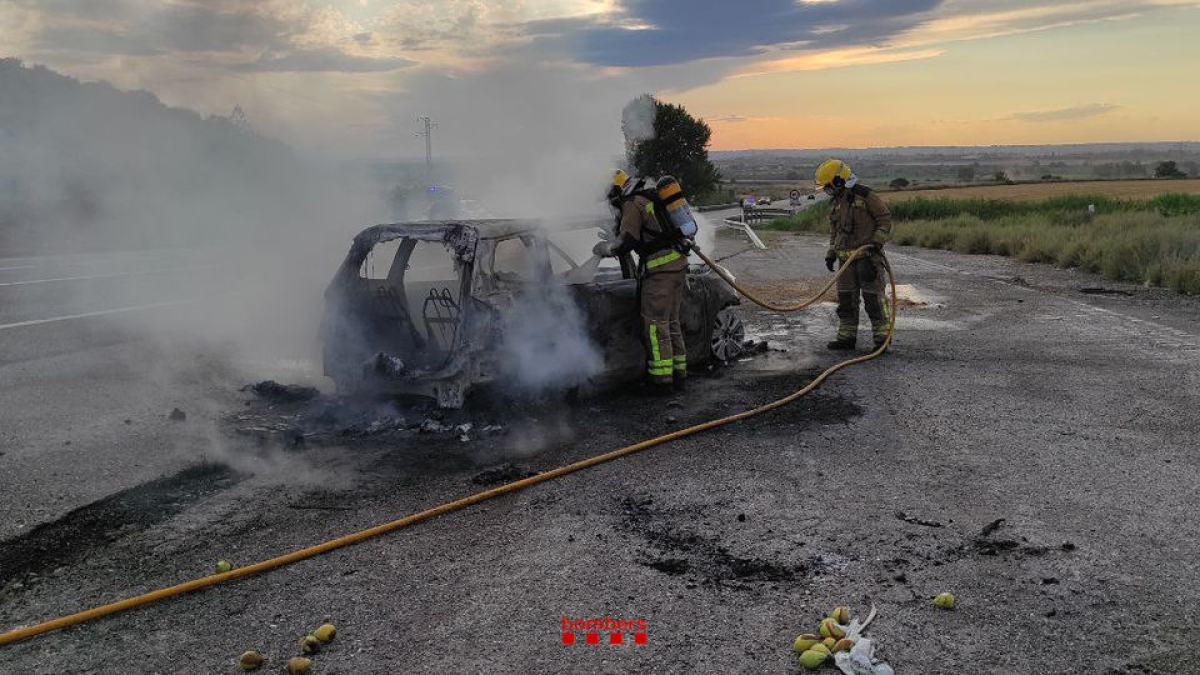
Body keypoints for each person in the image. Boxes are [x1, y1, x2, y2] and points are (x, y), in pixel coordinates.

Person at [593, 170, 689, 393]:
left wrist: (605, 249)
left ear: (616, 191)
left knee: (655, 327)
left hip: (660, 273)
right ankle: (679, 375)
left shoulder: (632, 204)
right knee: (671, 323)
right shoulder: (649, 197)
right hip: (677, 267)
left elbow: (626, 243)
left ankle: (661, 381)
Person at [815, 159, 893, 351]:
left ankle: (882, 339)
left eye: (828, 187)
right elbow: (835, 230)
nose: (827, 191)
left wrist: (876, 243)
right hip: (846, 262)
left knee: (874, 300)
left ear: (839, 181)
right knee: (846, 301)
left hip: (868, 258)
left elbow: (884, 220)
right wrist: (831, 252)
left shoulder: (865, 195)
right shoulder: (837, 201)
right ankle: (846, 338)